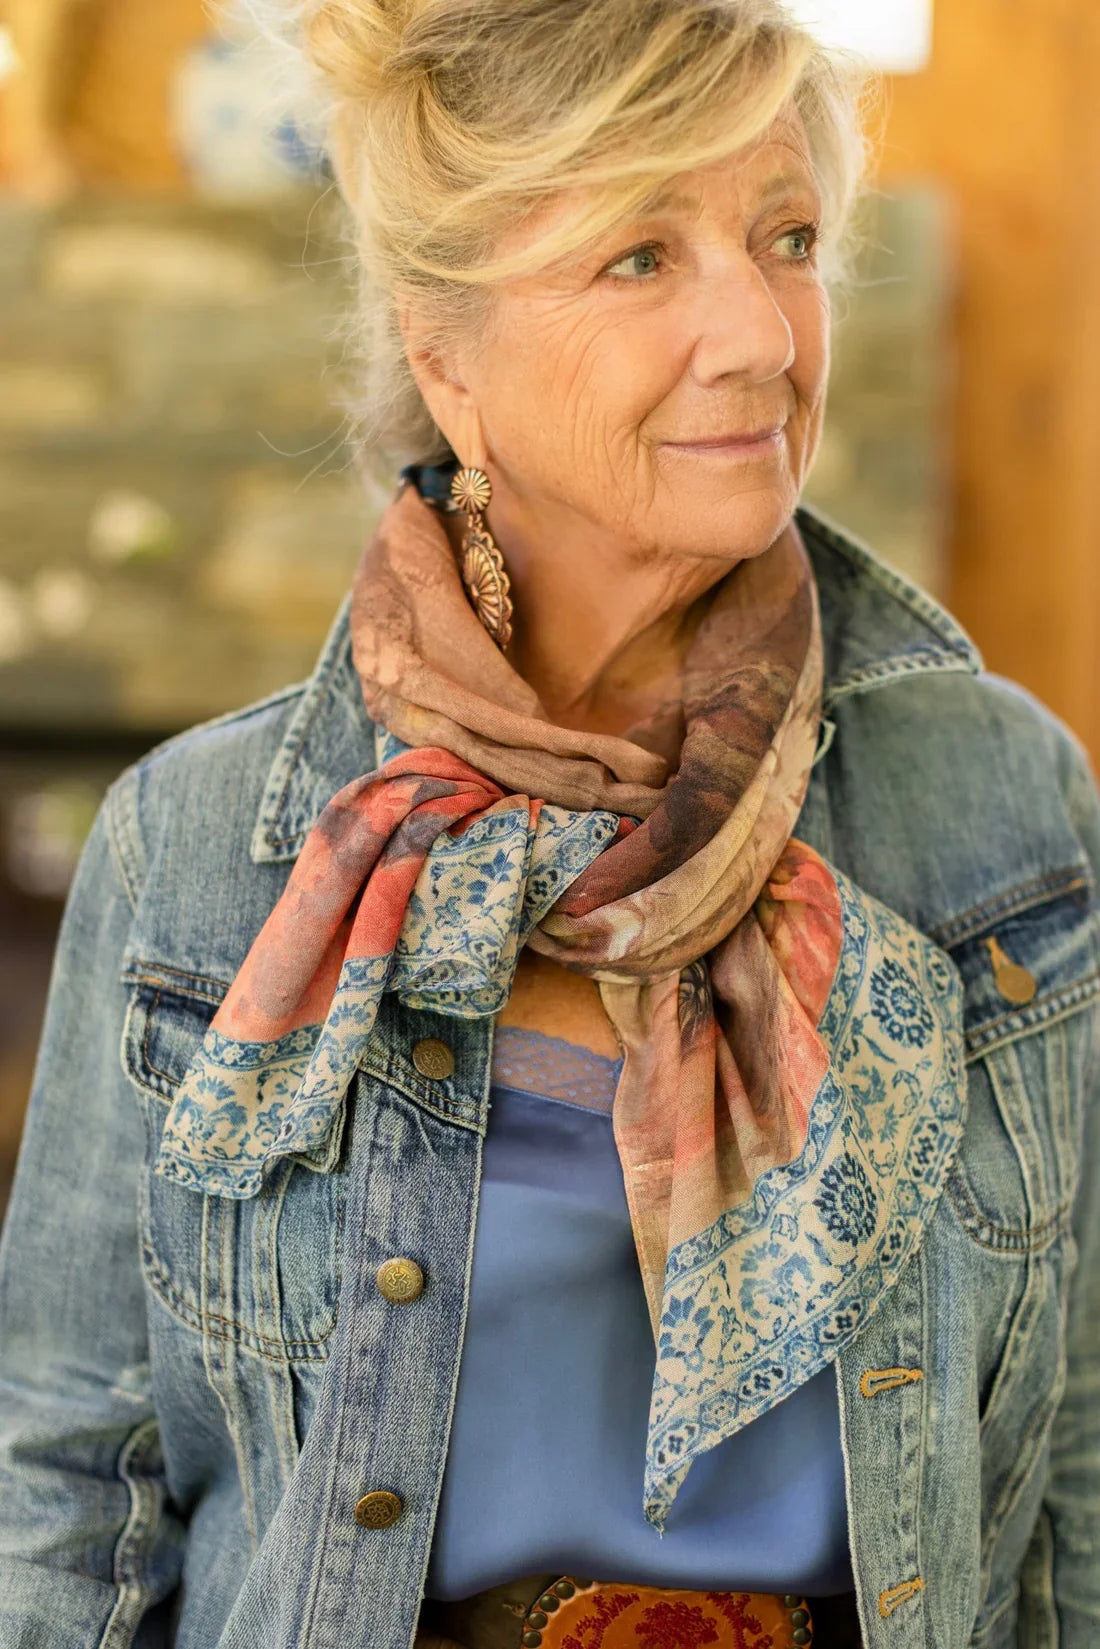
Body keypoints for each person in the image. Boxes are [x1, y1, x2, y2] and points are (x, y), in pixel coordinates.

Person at [1, 1, 1098, 1645]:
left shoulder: (1005, 807)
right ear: (447, 355)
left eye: (789, 238)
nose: (761, 335)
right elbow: (66, 1494)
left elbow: (1079, 1470)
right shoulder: (199, 849)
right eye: (640, 256)